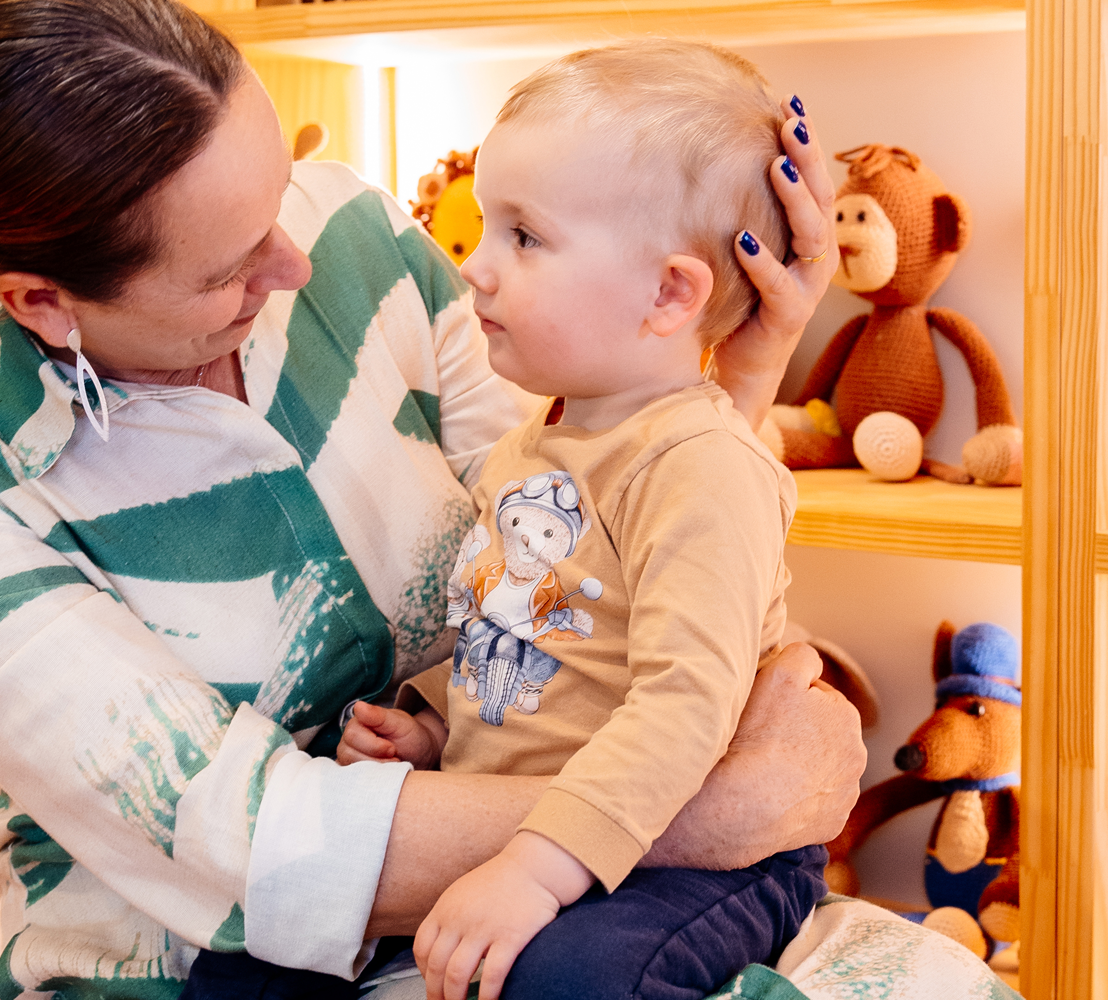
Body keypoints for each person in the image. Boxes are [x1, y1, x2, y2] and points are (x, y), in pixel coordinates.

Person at [0, 2, 862, 998]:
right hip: (194, 951)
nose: (300, 261)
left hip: (520, 886)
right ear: (43, 303)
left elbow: (567, 577)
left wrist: (736, 365)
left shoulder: (359, 233)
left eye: (279, 193)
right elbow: (254, 846)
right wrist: (725, 803)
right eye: (231, 270)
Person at [325, 41, 825, 1000]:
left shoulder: (705, 466)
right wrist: (435, 730)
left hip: (694, 857)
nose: (473, 269)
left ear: (670, 293)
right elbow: (518, 633)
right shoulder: (533, 447)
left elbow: (685, 711)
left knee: (570, 978)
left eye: (525, 237)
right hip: (559, 830)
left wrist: (529, 873)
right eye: (485, 230)